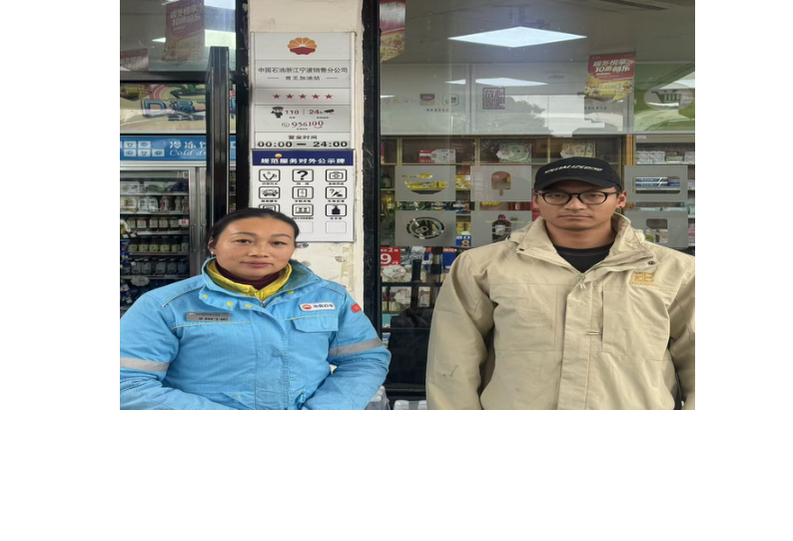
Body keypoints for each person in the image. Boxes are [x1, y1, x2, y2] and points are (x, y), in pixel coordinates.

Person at [426, 162, 695, 412]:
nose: (575, 205)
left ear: (620, 199)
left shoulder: (675, 270)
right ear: (536, 199)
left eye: (593, 195)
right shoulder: (482, 266)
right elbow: (452, 359)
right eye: (557, 195)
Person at [120, 208, 389, 410]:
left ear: (293, 248)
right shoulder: (165, 305)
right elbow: (128, 383)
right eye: (243, 241)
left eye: (278, 243)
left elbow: (364, 361)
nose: (260, 252)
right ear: (212, 244)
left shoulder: (330, 297)